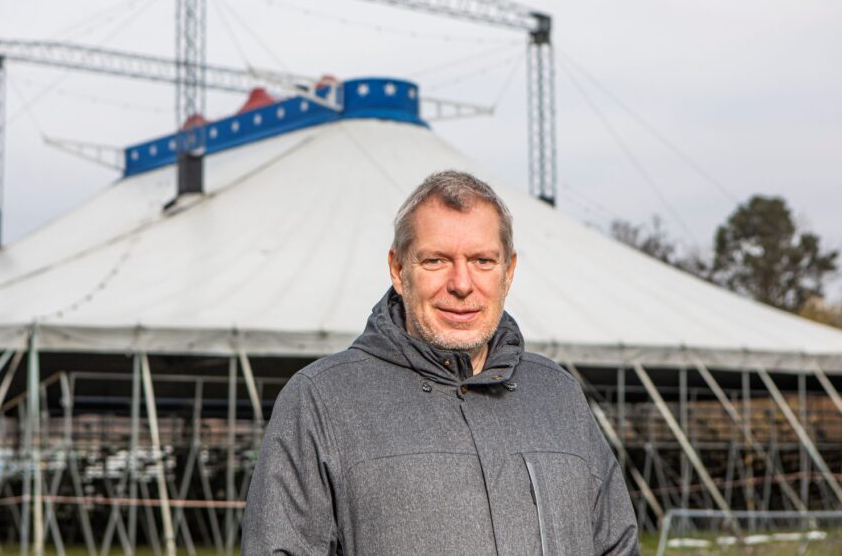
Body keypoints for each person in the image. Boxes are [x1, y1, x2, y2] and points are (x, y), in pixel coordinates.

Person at [241, 170, 639, 555]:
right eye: (436, 260)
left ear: (509, 271)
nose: (462, 284)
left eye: (483, 261)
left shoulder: (557, 395)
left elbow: (616, 545)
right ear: (399, 269)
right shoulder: (323, 402)